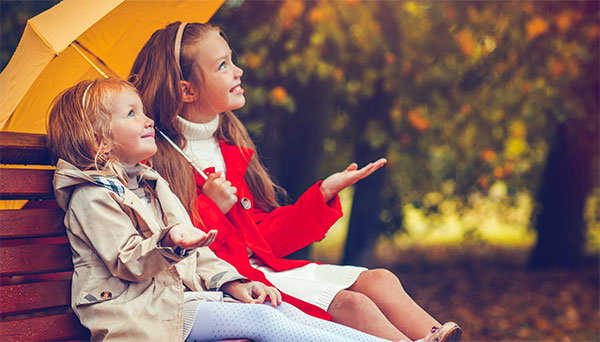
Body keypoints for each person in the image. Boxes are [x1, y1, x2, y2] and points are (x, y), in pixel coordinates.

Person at [128, 21, 462, 342]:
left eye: (233, 60)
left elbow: (264, 239)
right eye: (222, 66)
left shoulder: (229, 146)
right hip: (228, 283)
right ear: (187, 90)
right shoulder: (153, 162)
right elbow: (178, 251)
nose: (237, 71)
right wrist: (211, 206)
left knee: (380, 279)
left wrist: (324, 193)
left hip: (269, 269)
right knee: (354, 305)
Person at [46, 77, 427, 342]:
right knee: (264, 320)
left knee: (280, 313)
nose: (147, 120)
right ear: (98, 139)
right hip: (136, 316)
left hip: (177, 302)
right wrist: (171, 241)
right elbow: (128, 261)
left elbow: (201, 253)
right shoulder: (91, 196)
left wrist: (233, 283)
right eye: (131, 114)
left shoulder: (150, 183)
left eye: (144, 111)